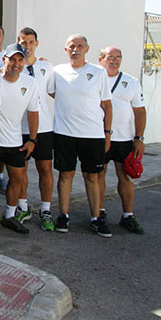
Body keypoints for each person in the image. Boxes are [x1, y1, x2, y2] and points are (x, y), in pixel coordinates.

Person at [48, 34, 113, 237]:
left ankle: (95, 218)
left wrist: (107, 133)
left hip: (92, 135)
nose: (75, 49)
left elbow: (107, 105)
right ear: (66, 50)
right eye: (71, 46)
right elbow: (52, 92)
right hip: (64, 134)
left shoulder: (98, 72)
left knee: (92, 176)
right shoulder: (57, 71)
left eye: (80, 46)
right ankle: (64, 216)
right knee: (65, 175)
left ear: (87, 49)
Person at [0, 44, 40, 235]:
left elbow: (33, 112)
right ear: (4, 60)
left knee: (17, 179)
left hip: (15, 141)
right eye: (12, 59)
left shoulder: (30, 83)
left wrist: (32, 140)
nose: (16, 64)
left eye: (20, 60)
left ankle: (10, 216)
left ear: (24, 61)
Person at [97, 46, 146, 234]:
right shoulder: (94, 79)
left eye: (118, 57)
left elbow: (140, 111)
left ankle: (128, 215)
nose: (115, 60)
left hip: (124, 138)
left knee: (125, 175)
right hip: (98, 136)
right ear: (101, 59)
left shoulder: (131, 82)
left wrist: (139, 138)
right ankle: (99, 212)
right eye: (110, 57)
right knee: (99, 175)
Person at [17, 27, 57, 231]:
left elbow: (54, 93)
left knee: (45, 169)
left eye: (31, 42)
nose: (27, 46)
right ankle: (23, 206)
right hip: (20, 128)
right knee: (20, 170)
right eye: (23, 42)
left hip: (44, 128)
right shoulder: (14, 66)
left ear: (37, 44)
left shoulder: (47, 66)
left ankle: (46, 209)